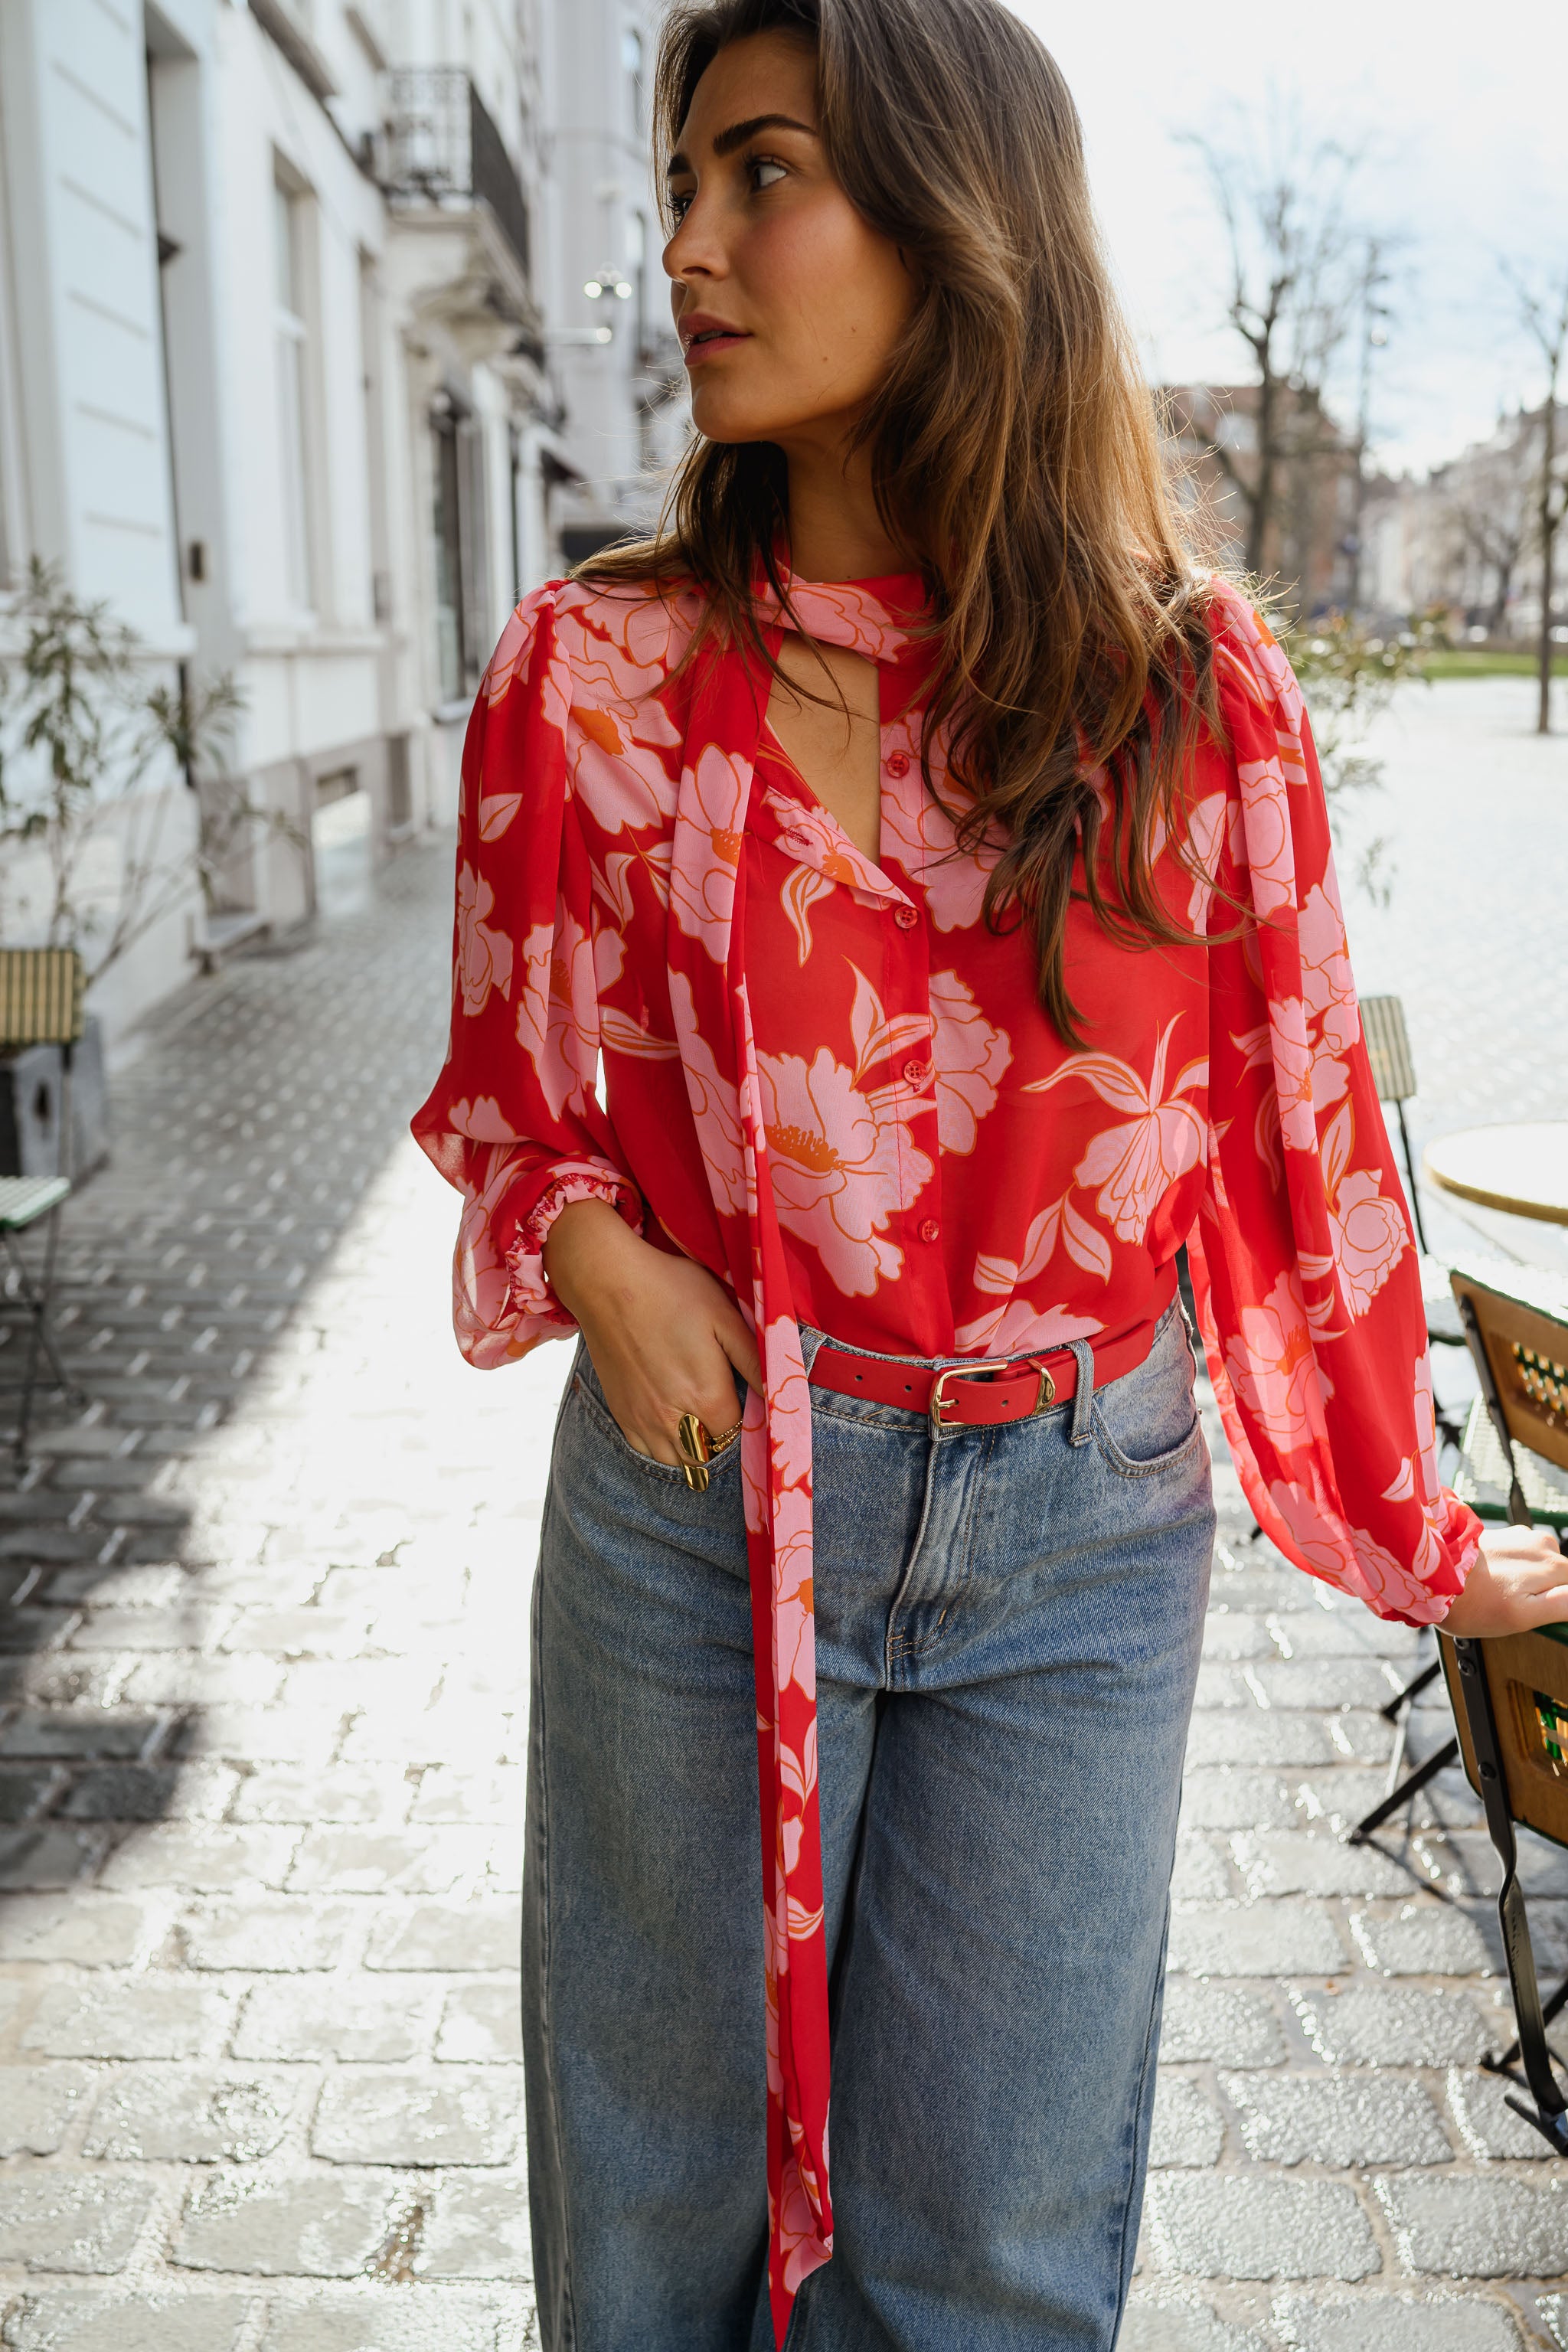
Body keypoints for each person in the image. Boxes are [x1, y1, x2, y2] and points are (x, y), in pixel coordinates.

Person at [410, 0, 1568, 2343]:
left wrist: (1413, 1534)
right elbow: (512, 1098)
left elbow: (1299, 1153)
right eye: (682, 180)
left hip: (1080, 1529)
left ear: (961, 225)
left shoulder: (1189, 695)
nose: (685, 245)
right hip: (700, 1503)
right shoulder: (589, 677)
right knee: (648, 2245)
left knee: (1000, 2269)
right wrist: (596, 1254)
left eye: (761, 175)